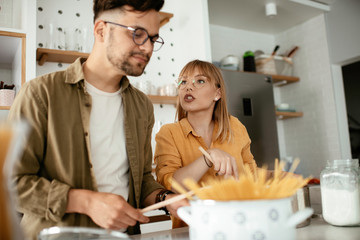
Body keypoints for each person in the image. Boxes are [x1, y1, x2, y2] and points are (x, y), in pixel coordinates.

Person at [8, 0, 187, 239]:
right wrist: (86, 202)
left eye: (153, 38)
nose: (148, 48)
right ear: (101, 30)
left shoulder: (142, 106)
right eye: (138, 34)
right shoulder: (40, 94)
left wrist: (166, 199)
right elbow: (10, 184)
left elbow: (142, 178)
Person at [154, 59, 258, 228]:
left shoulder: (236, 127)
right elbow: (172, 188)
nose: (188, 87)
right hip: (192, 231)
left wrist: (280, 175)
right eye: (183, 81)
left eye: (200, 81)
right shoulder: (169, 133)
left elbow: (252, 176)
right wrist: (207, 158)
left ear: (217, 93)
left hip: (239, 225)